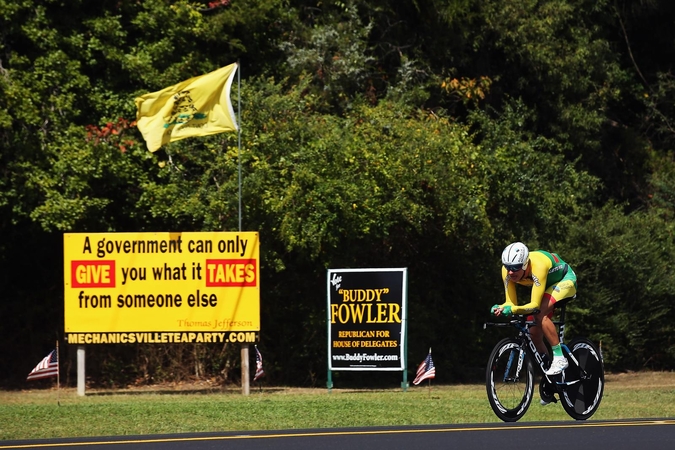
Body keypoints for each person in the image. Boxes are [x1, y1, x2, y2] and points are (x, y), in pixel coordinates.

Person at [490, 242, 577, 378]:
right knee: (534, 334)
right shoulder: (506, 271)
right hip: (546, 285)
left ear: (525, 264)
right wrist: (503, 307)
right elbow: (510, 302)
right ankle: (551, 378)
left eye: (515, 267)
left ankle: (559, 357)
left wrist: (513, 309)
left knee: (540, 313)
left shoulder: (538, 266)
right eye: (507, 267)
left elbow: (535, 305)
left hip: (564, 280)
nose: (511, 272)